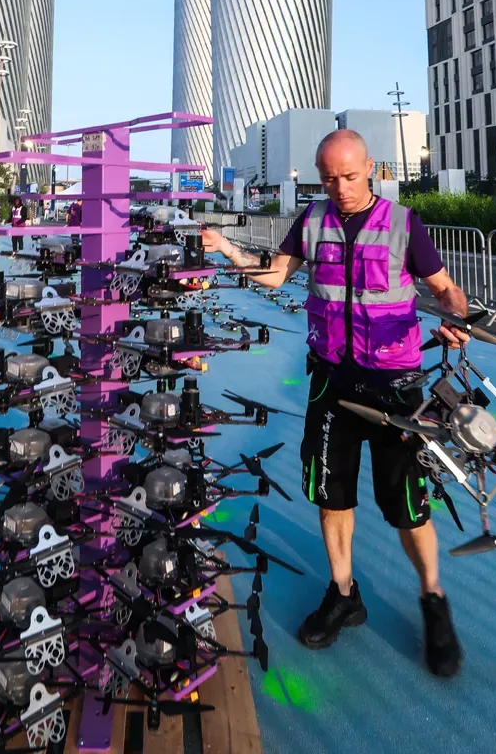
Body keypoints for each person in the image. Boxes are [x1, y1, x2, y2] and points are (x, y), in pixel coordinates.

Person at [201, 130, 469, 678]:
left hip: (397, 386)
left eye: (349, 176)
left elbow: (445, 289)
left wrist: (456, 317)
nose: (340, 187)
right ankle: (344, 593)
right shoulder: (312, 222)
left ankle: (433, 599)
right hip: (331, 385)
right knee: (332, 496)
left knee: (408, 506)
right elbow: (275, 275)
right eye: (328, 177)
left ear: (371, 168)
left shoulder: (403, 224)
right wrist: (228, 250)